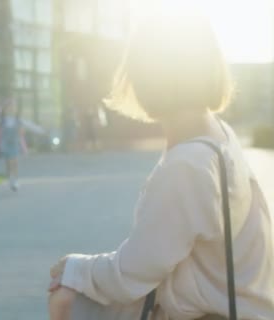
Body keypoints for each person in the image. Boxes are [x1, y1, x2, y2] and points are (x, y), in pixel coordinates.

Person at [48, 6, 274, 320]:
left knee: (66, 298)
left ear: (146, 74)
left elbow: (130, 275)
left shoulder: (187, 165)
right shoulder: (218, 134)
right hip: (234, 303)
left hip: (211, 311)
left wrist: (73, 267)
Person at [0, 99, 26, 191]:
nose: (11, 109)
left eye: (13, 107)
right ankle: (10, 179)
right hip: (6, 143)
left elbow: (22, 132)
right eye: (9, 107)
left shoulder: (17, 120)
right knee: (8, 163)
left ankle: (15, 181)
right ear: (6, 109)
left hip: (14, 143)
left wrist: (21, 133)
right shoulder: (3, 120)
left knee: (14, 162)